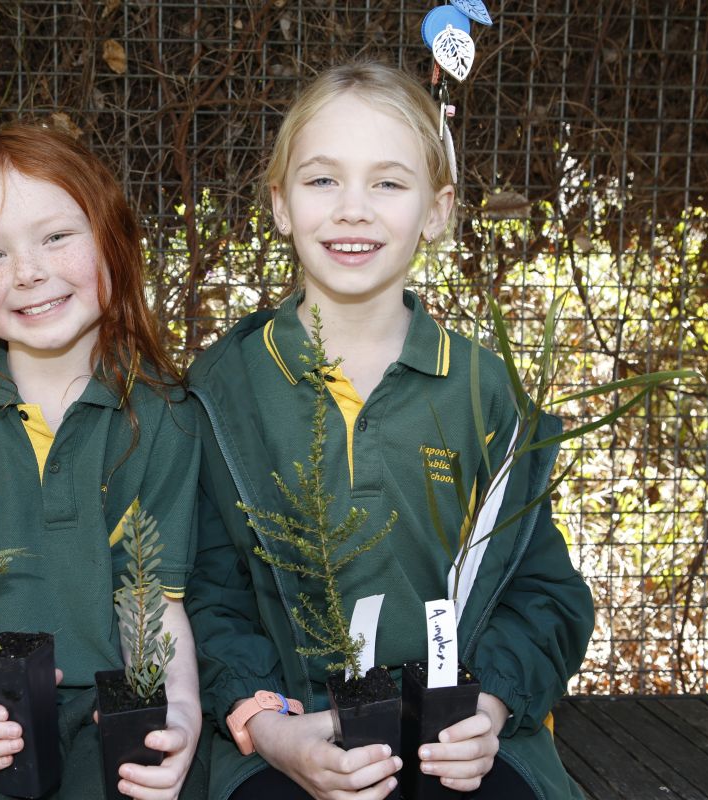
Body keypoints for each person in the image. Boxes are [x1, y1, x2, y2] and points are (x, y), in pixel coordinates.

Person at [185, 62, 594, 800]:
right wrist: (268, 726)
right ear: (279, 204)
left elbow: (545, 591)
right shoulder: (223, 386)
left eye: (388, 183)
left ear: (435, 211)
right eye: (321, 181)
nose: (352, 210)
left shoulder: (482, 388)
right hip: (293, 723)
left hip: (456, 725)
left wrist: (492, 706)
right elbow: (208, 592)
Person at [0, 122, 205, 800]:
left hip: (114, 699)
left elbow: (154, 601)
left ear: (112, 242)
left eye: (56, 237)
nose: (28, 272)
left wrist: (178, 708)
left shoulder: (163, 415)